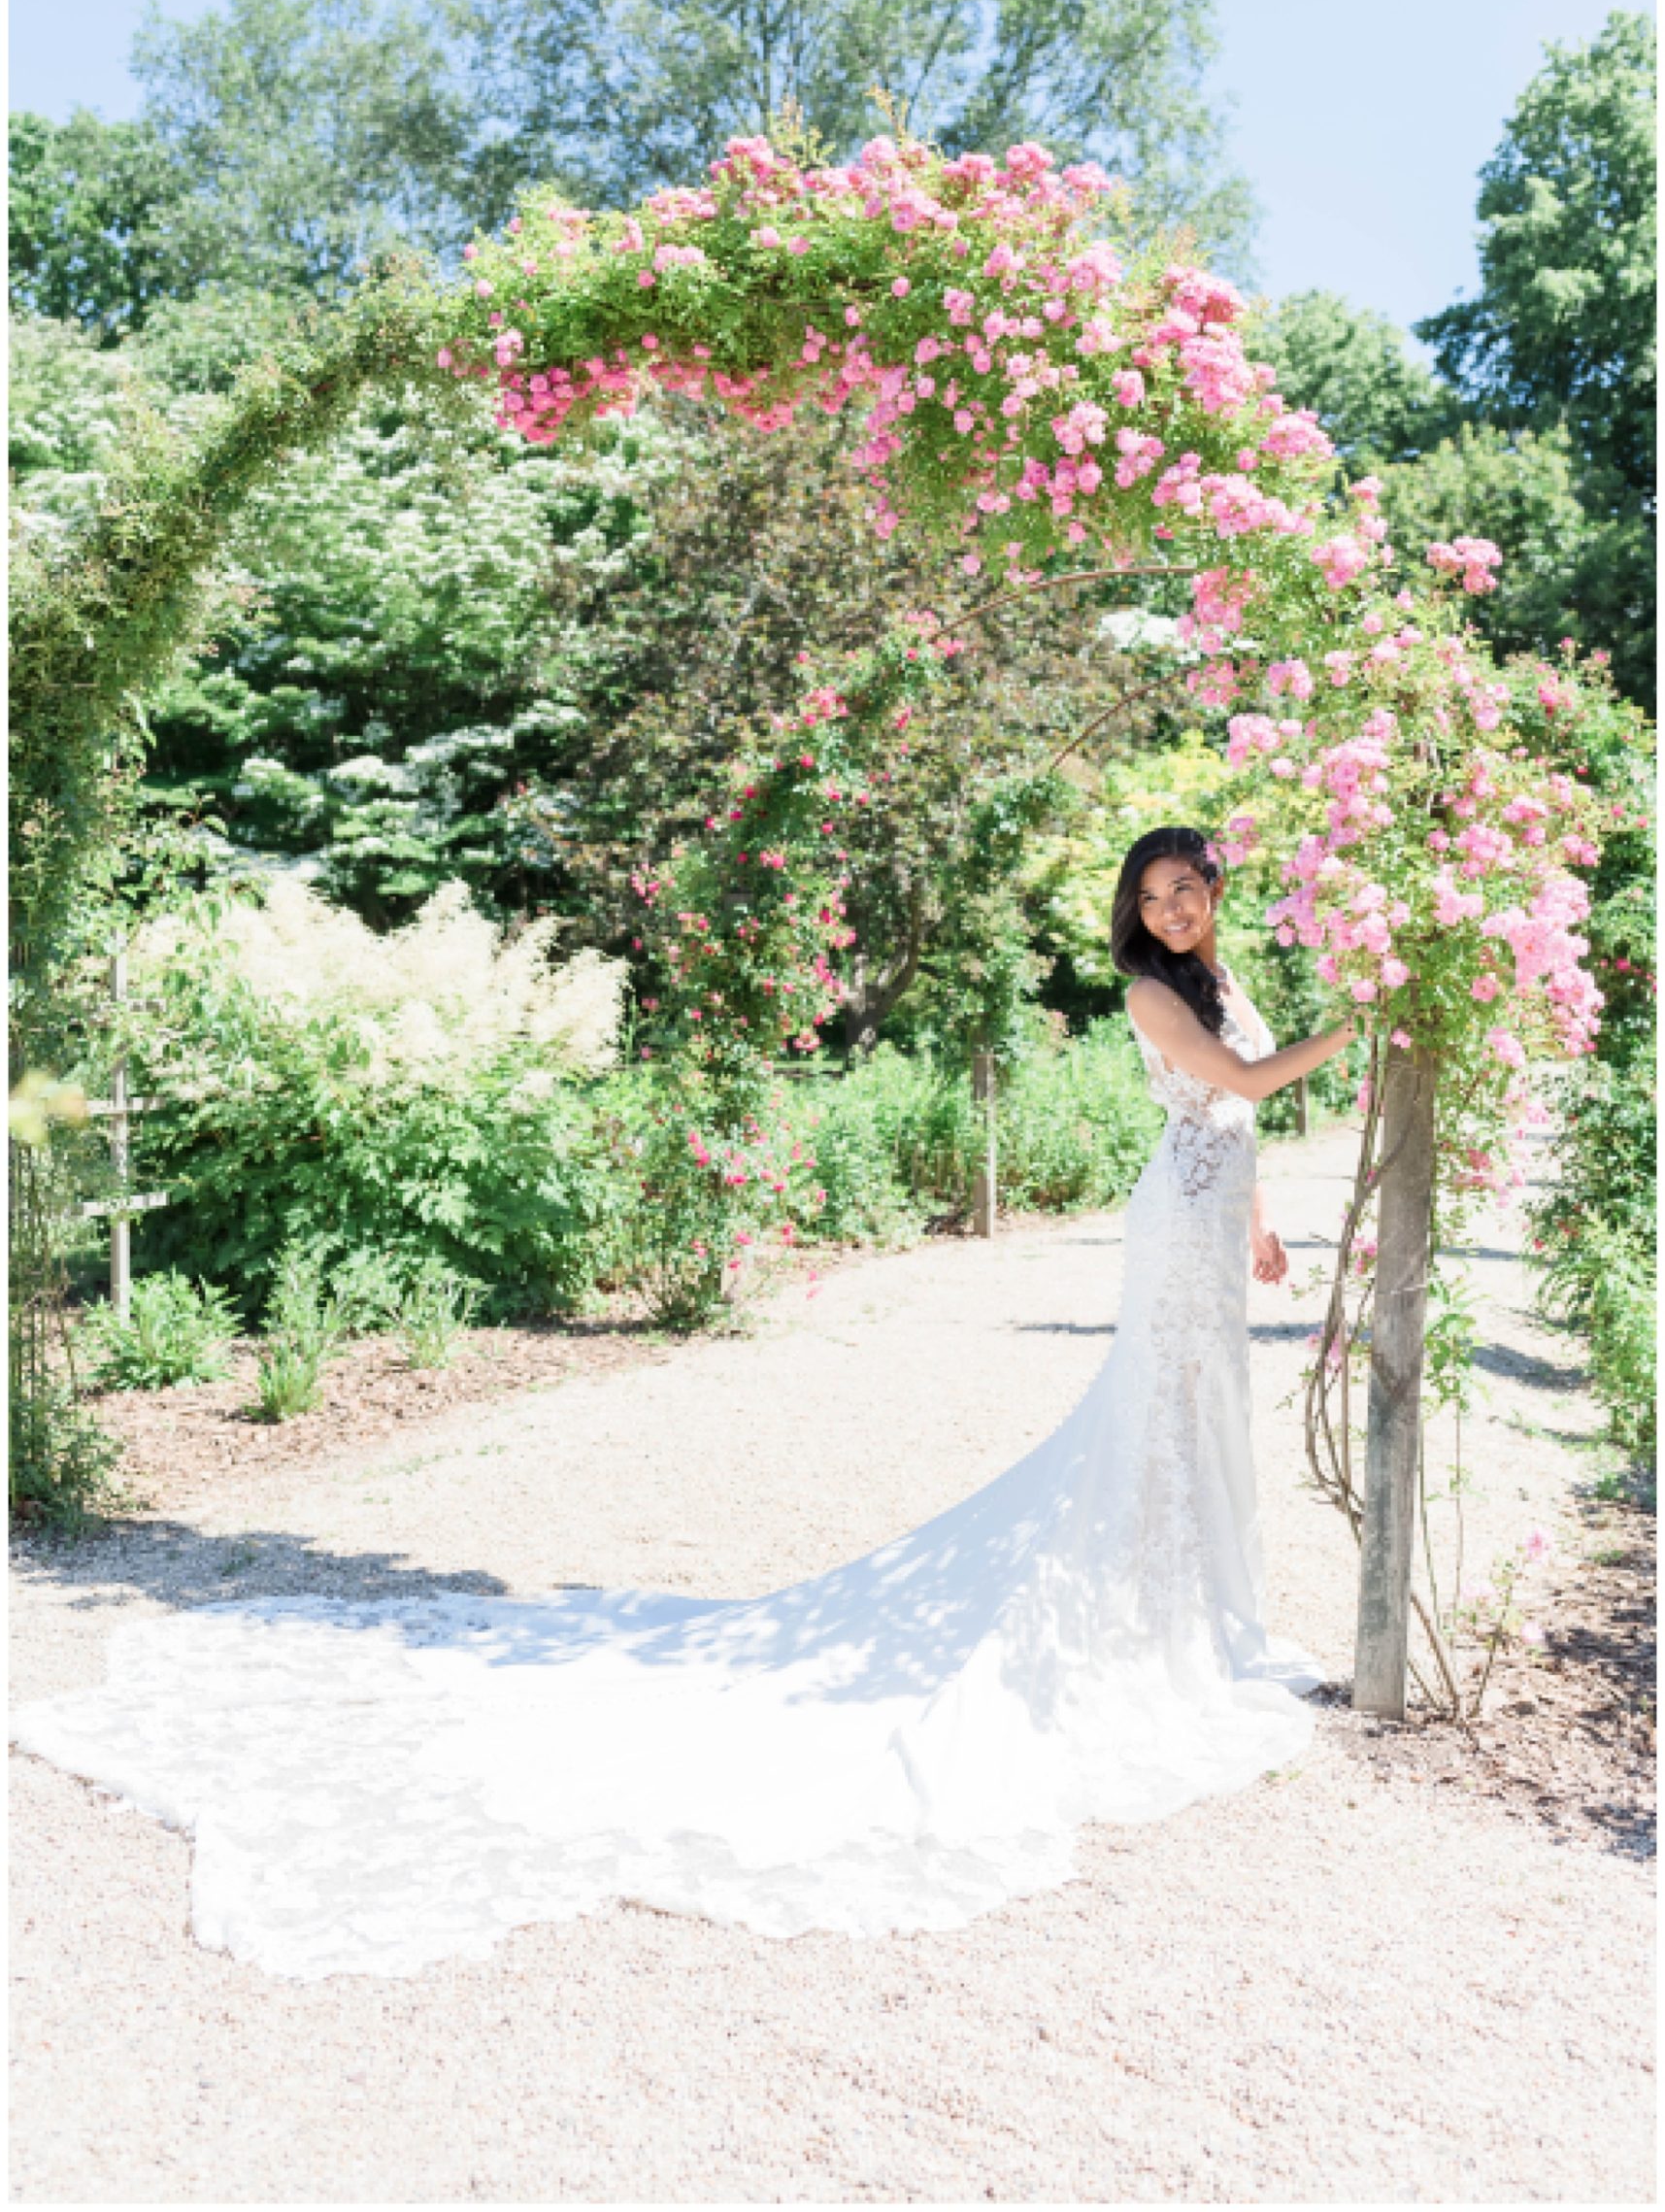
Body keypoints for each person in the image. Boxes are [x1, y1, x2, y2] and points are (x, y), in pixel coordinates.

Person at [13, 825, 1357, 1983]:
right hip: (1162, 1233)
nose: (1170, 910)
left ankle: (1190, 1612)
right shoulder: (1144, 992)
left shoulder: (1215, 975)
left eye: (1188, 890)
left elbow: (1225, 1124)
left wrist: (1258, 1226)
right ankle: (1155, 1621)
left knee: (1196, 1424)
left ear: (1213, 896)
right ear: (1132, 910)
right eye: (1154, 895)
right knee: (1146, 1423)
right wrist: (1354, 1028)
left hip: (1206, 1228)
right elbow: (1236, 1088)